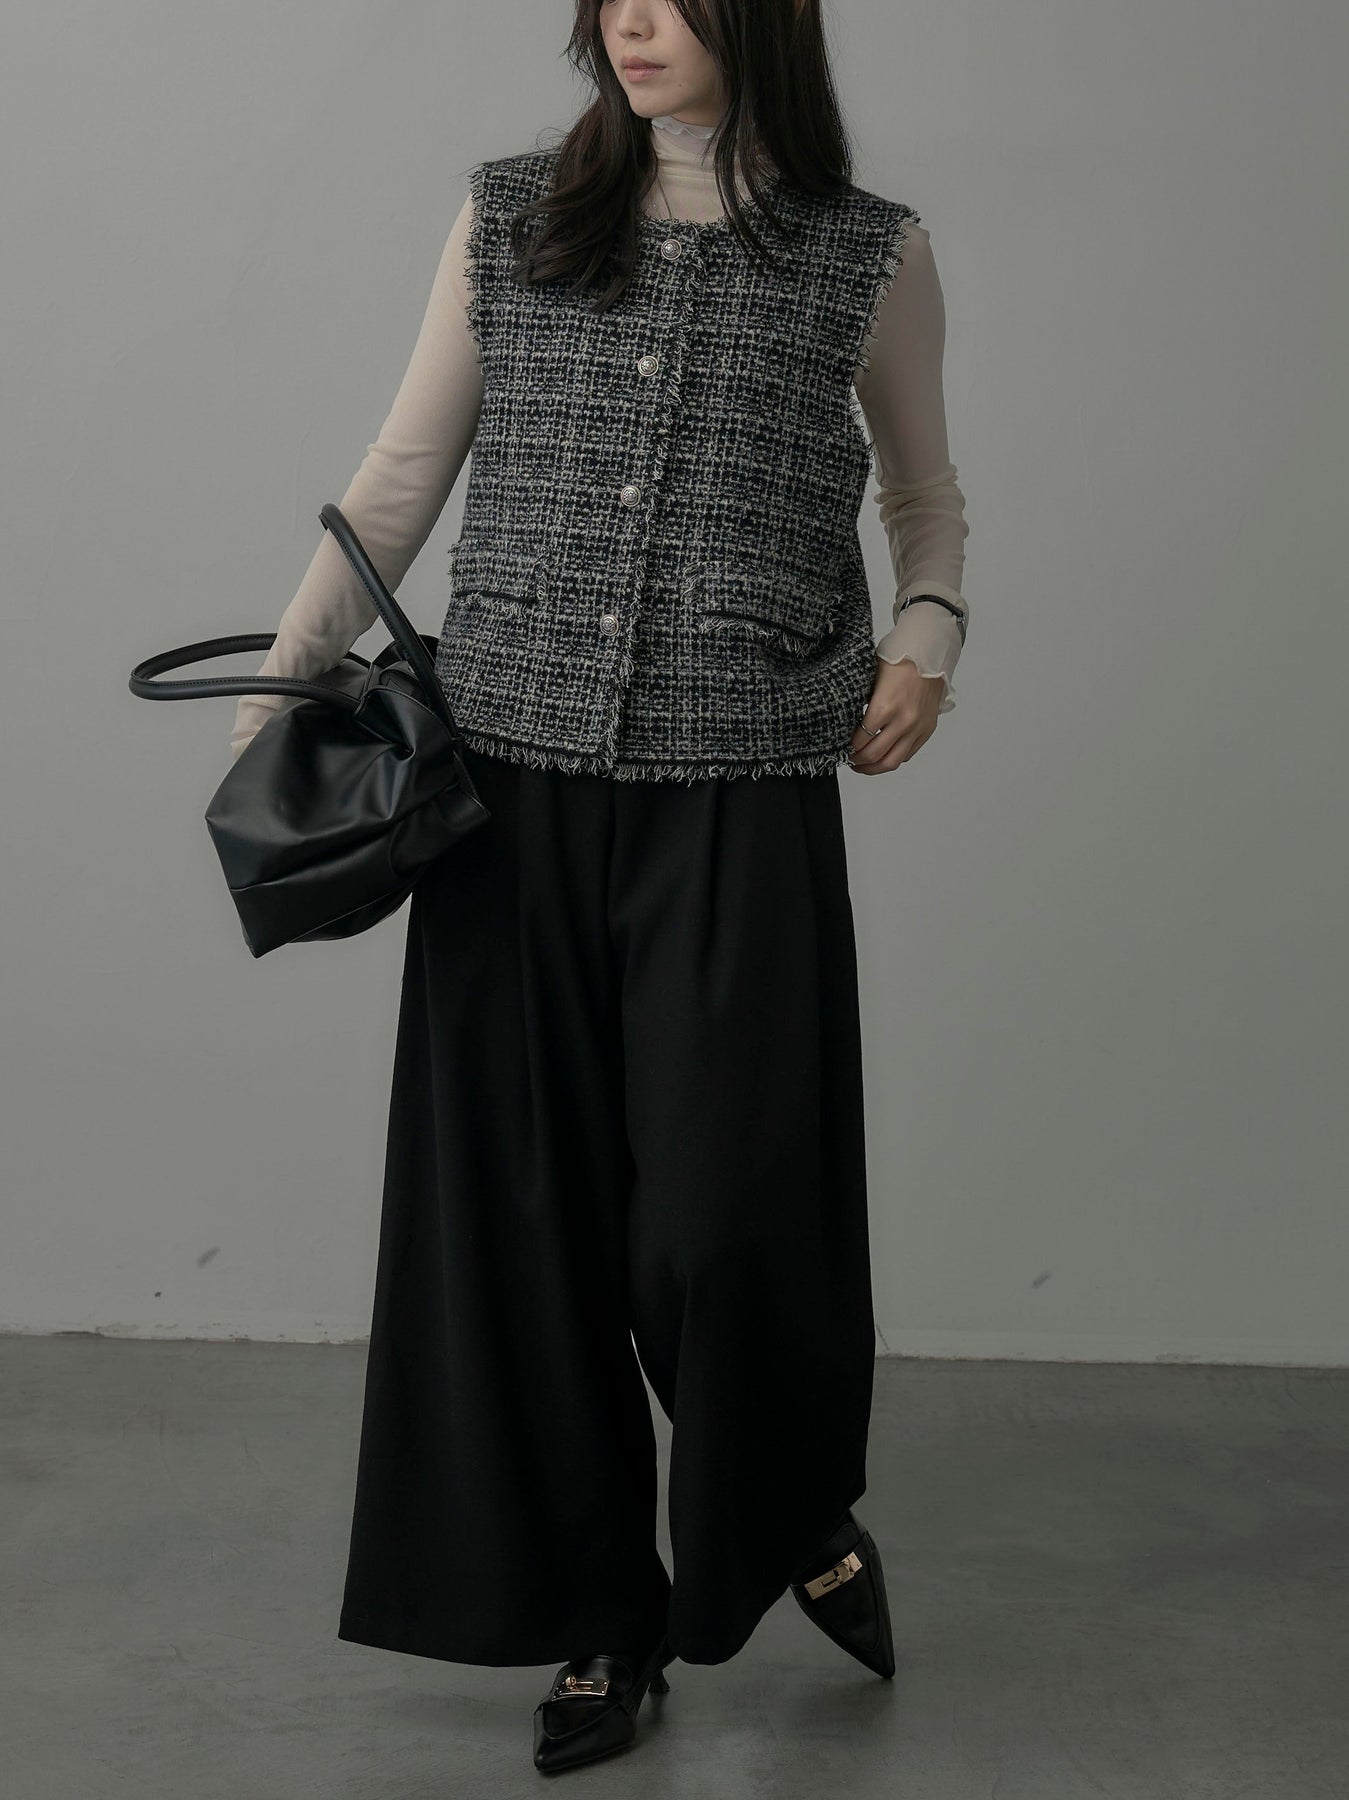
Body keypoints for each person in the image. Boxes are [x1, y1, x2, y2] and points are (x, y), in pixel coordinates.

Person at [233, 0, 969, 1775]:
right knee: (525, 1228)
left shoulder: (868, 252)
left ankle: (789, 1503)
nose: (628, 21)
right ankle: (597, 1619)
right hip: (507, 791)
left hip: (742, 782)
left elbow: (924, 497)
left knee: (722, 1217)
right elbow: (399, 479)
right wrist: (275, 700)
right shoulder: (512, 214)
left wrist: (928, 641)